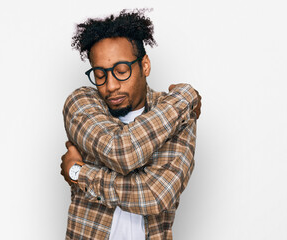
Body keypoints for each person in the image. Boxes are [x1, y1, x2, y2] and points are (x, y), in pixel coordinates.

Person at [60, 9, 202, 240]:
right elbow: (121, 151)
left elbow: (155, 195)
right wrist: (186, 99)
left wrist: (81, 174)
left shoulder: (178, 117)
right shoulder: (81, 103)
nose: (111, 85)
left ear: (144, 66)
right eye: (100, 74)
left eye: (121, 71)